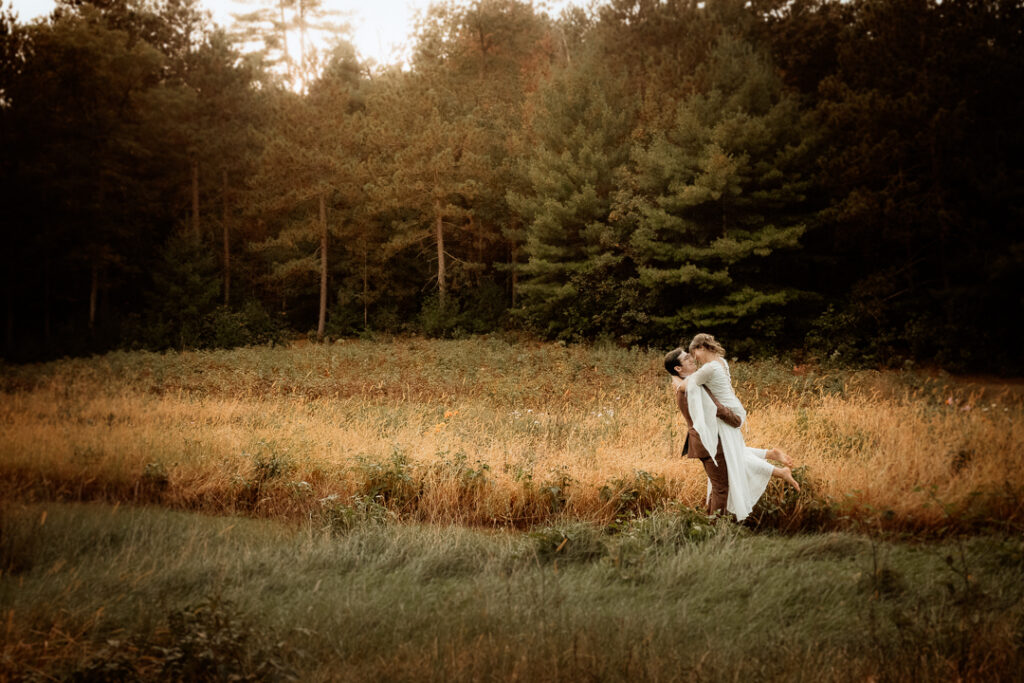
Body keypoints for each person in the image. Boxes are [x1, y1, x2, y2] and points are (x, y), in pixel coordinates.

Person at [671, 334, 799, 521]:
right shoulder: (721, 362)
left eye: (694, 353)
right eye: (688, 357)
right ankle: (772, 459)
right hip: (734, 408)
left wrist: (674, 378)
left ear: (702, 348)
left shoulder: (707, 370)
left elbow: (684, 386)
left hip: (728, 415)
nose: (694, 358)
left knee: (734, 457)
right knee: (735, 454)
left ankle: (715, 524)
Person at [664, 347, 739, 515]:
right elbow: (716, 408)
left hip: (701, 440)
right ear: (678, 368)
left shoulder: (685, 384)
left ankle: (710, 523)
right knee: (721, 487)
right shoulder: (693, 386)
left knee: (717, 485)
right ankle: (718, 527)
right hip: (708, 440)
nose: (692, 359)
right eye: (687, 359)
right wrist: (736, 420)